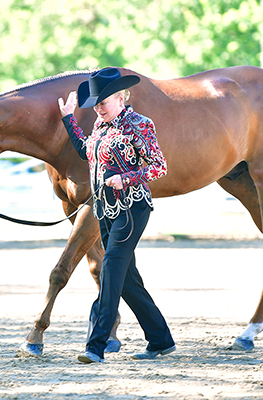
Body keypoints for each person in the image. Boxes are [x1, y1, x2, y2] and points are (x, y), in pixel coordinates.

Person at [58, 67, 176, 363]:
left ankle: (95, 346)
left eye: (104, 100)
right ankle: (160, 339)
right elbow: (87, 152)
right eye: (96, 102)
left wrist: (127, 178)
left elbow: (159, 167)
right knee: (127, 281)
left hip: (131, 208)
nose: (99, 106)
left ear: (122, 97)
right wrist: (68, 119)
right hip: (104, 209)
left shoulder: (140, 124)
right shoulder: (100, 126)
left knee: (110, 268)